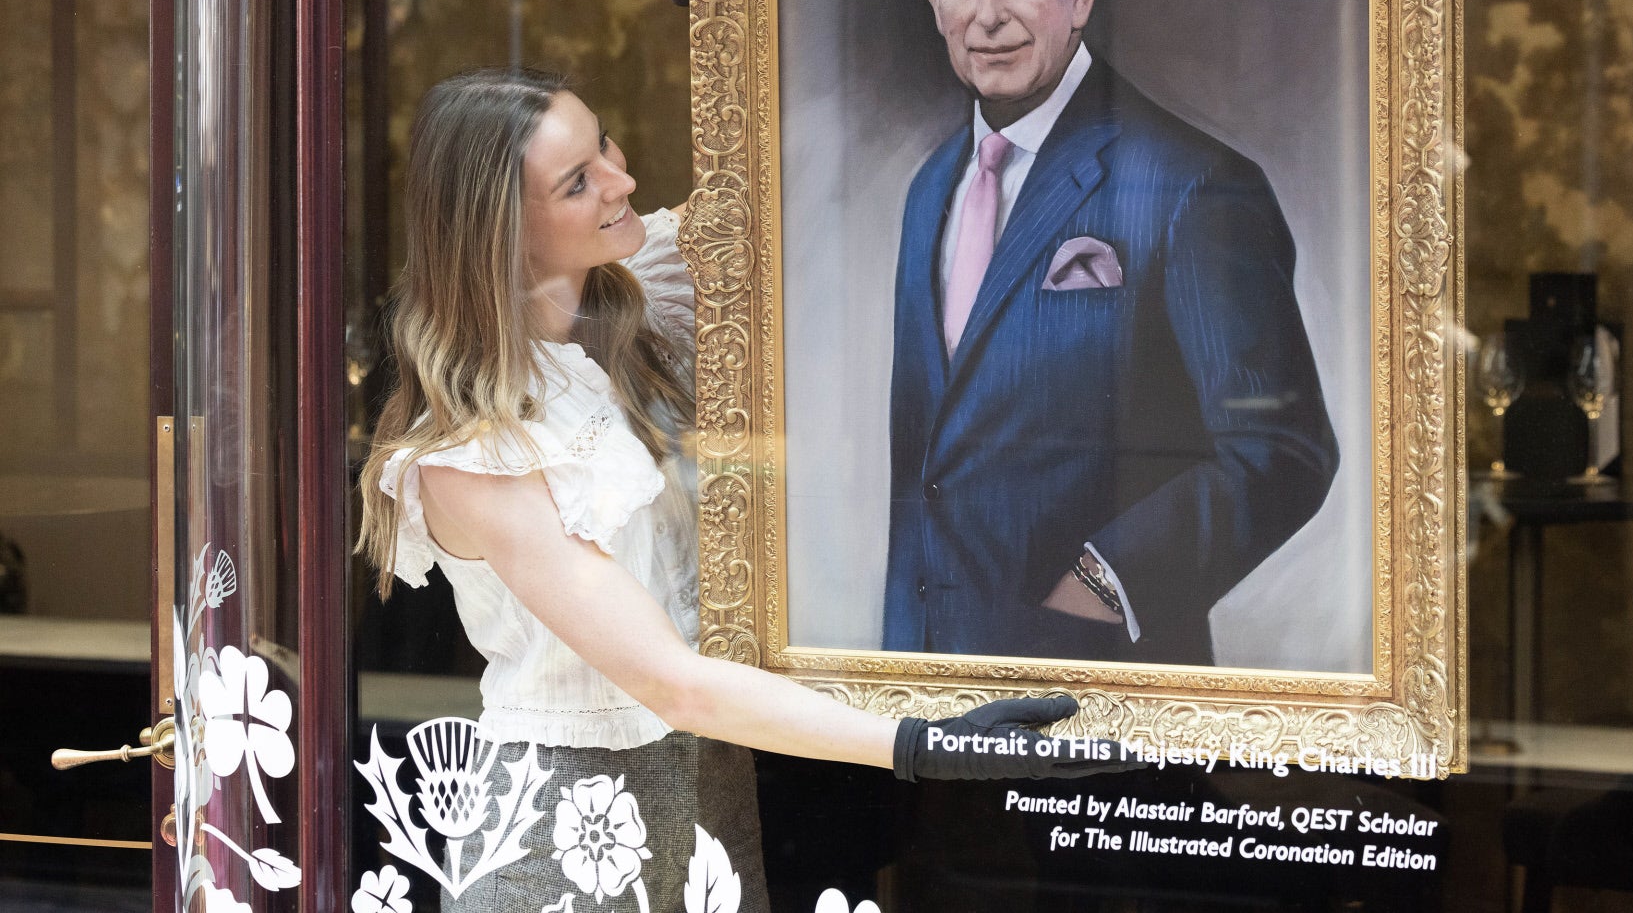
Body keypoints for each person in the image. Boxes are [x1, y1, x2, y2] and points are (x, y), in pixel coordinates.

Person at [357, 68, 1124, 913]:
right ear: (499, 232)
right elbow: (670, 680)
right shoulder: (476, 456)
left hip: (712, 789)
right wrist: (914, 742)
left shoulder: (631, 282)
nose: (622, 179)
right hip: (566, 832)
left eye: (603, 143)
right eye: (578, 183)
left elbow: (773, 192)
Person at [664, 0, 1340, 667]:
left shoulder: (1194, 185)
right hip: (925, 696)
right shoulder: (929, 189)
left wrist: (1101, 586)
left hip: (1100, 708)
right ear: (934, 1)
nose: (988, 13)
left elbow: (1282, 452)